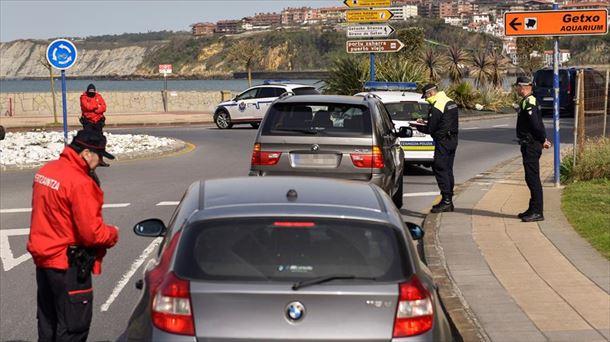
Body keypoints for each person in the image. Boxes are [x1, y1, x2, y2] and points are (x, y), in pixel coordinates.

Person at [27, 129, 119, 341]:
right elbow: (92, 234)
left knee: (49, 323)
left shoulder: (46, 171)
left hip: (45, 262)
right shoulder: (80, 182)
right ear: (87, 153)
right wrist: (112, 234)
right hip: (68, 265)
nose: (99, 164)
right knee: (73, 328)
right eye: (99, 157)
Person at [411, 84, 459, 213]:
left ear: (430, 93)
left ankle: (446, 201)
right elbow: (443, 122)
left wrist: (418, 126)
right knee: (448, 169)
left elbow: (431, 128)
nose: (426, 99)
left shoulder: (437, 105)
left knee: (440, 168)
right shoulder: (450, 102)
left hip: (442, 141)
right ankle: (448, 199)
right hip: (453, 140)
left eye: (426, 96)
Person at [513, 76, 552, 222]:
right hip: (530, 144)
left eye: (517, 86)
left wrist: (543, 140)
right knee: (530, 177)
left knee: (533, 178)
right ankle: (532, 208)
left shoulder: (529, 102)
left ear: (523, 87)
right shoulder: (527, 101)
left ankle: (537, 211)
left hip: (531, 145)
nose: (516, 89)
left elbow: (536, 125)